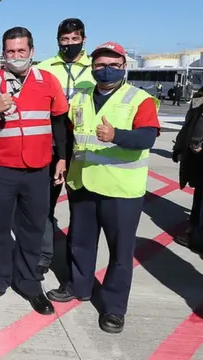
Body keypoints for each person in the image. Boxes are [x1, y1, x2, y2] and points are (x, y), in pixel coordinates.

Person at [46, 42, 160, 333]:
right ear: (92, 68)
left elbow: (147, 138)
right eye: (99, 65)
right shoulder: (81, 96)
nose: (105, 69)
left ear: (123, 67)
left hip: (120, 189)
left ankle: (113, 307)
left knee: (120, 252)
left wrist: (116, 135)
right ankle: (77, 285)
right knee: (80, 241)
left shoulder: (139, 99)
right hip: (83, 182)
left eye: (112, 64)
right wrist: (61, 160)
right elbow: (69, 134)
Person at [0, 27, 69, 315]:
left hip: (38, 170)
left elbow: (60, 123)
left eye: (21, 51)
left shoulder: (48, 81)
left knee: (33, 228)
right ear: (3, 53)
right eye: (10, 51)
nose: (16, 56)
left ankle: (30, 283)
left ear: (32, 52)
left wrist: (62, 158)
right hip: (1, 171)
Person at [35, 18, 95, 274]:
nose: (69, 44)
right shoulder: (45, 68)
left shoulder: (97, 67)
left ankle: (75, 261)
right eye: (64, 39)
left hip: (84, 143)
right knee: (44, 203)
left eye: (74, 39)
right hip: (52, 141)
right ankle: (43, 255)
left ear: (83, 38)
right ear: (58, 40)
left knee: (80, 207)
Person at [173, 87, 203, 251]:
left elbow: (194, 125)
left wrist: (196, 145)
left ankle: (198, 238)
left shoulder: (200, 97)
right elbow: (191, 124)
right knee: (199, 194)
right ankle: (194, 226)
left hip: (198, 153)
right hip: (196, 156)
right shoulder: (199, 96)